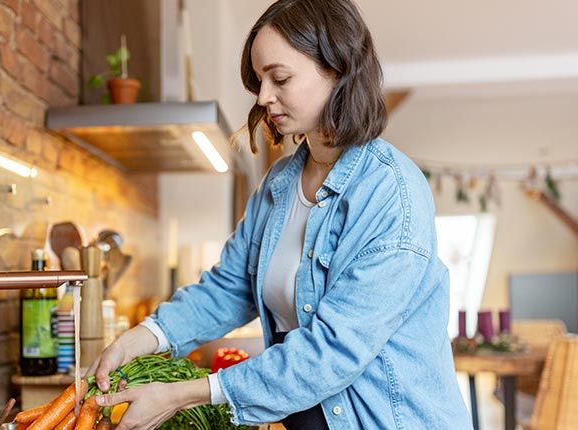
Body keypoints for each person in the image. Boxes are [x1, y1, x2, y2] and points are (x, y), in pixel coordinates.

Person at [87, 0, 472, 428]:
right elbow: (231, 287)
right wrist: (143, 336)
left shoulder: (390, 193)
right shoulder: (280, 184)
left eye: (280, 77)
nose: (263, 96)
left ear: (337, 68)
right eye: (260, 80)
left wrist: (189, 394)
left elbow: (334, 351)